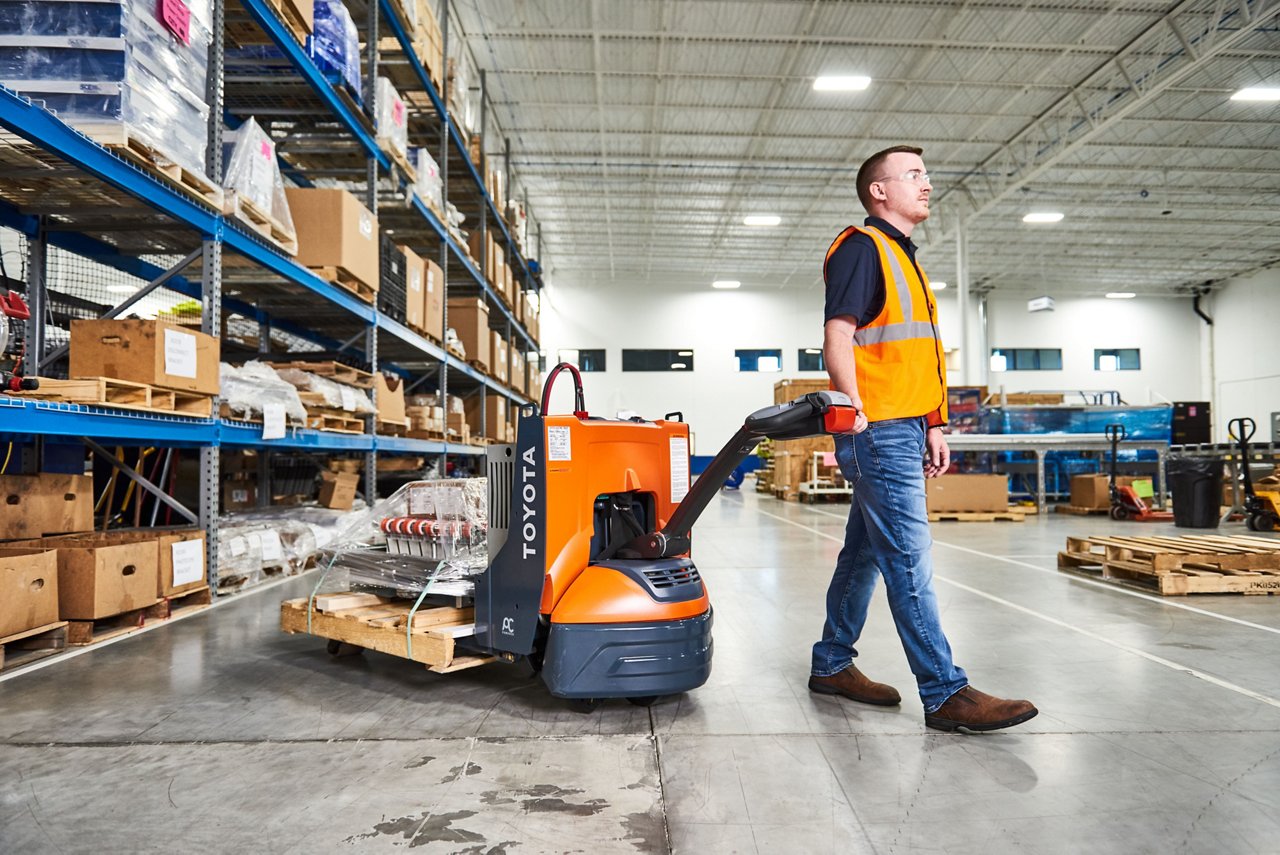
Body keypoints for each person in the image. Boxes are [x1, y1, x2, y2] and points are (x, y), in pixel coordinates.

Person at [807, 144, 1038, 733]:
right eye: (913, 175)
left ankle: (832, 663)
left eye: (926, 174)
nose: (927, 183)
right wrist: (853, 410)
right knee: (909, 560)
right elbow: (838, 336)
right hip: (879, 428)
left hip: (906, 425)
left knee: (864, 556)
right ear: (878, 191)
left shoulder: (903, 257)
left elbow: (914, 356)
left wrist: (934, 421)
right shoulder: (862, 248)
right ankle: (944, 692)